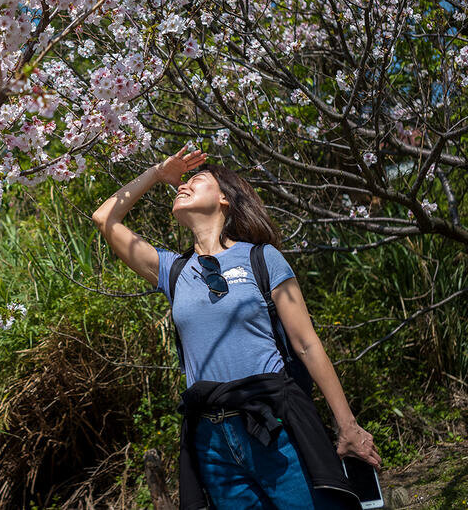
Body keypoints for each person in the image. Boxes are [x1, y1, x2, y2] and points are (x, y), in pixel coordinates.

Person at [90, 148, 382, 509]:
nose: (184, 185)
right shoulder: (172, 270)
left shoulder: (262, 258)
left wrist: (347, 425)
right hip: (211, 443)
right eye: (182, 182)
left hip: (274, 428)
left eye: (197, 179)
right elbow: (105, 217)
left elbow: (307, 344)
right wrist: (156, 173)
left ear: (224, 198)